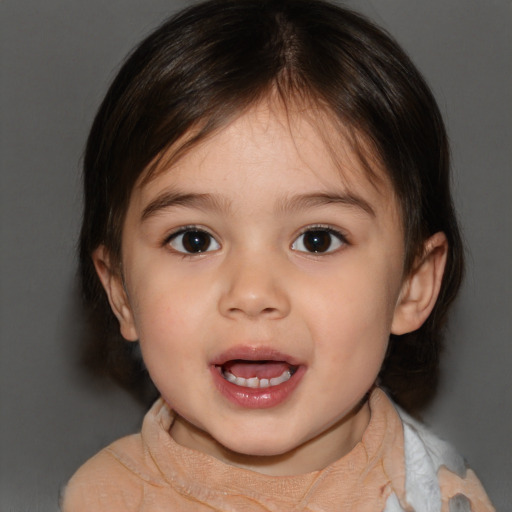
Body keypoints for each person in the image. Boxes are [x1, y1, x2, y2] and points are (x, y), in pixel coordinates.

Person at [62, 0, 495, 510]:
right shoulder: (104, 498)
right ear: (121, 293)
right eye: (194, 240)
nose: (252, 293)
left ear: (412, 283)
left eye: (317, 239)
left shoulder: (440, 497)